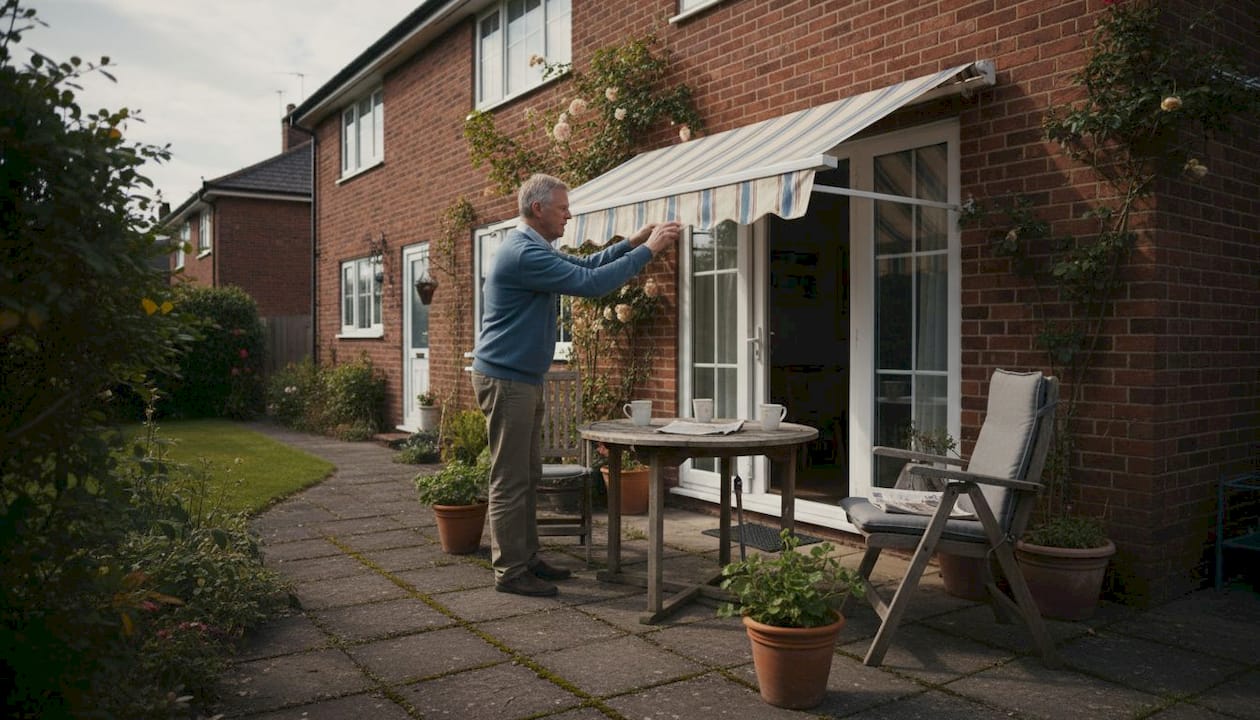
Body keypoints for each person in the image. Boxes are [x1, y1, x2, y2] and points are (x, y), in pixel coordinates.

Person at [471, 173, 680, 597]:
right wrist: (650, 250)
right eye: (563, 208)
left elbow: (582, 266)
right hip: (507, 379)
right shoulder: (522, 252)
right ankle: (510, 571)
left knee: (527, 475)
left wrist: (630, 243)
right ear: (538, 209)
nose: (569, 214)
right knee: (511, 478)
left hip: (521, 378)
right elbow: (591, 284)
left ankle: (526, 559)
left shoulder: (534, 247)